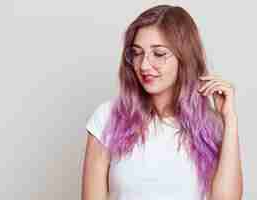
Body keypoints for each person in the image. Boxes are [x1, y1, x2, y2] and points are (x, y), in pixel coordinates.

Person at [82, 5, 243, 200]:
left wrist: (229, 121)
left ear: (184, 58)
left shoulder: (211, 127)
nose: (144, 65)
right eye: (137, 53)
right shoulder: (107, 117)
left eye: (158, 54)